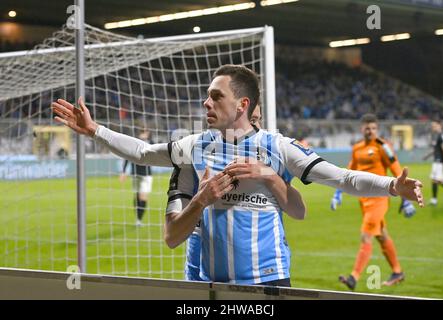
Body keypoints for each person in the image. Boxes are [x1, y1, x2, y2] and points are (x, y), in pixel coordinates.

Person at [51, 64, 423, 286]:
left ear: (242, 104)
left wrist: (392, 185)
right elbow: (144, 153)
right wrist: (96, 130)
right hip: (214, 282)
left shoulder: (279, 148)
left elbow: (341, 177)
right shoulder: (195, 145)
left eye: (215, 97)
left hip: (270, 280)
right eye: (207, 96)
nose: (205, 103)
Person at [169, 104, 307, 281]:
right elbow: (173, 235)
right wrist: (201, 200)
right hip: (202, 266)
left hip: (263, 274)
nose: (251, 129)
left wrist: (269, 176)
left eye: (255, 121)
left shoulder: (266, 159)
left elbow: (299, 211)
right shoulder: (193, 157)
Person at [331, 114, 416, 291]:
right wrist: (337, 193)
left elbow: (397, 171)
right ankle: (397, 272)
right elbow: (348, 172)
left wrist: (405, 198)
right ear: (362, 129)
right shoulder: (357, 148)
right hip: (363, 201)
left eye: (373, 128)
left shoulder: (384, 146)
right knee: (381, 234)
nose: (370, 131)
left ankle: (354, 277)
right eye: (367, 128)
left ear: (377, 129)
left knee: (366, 235)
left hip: (380, 199)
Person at [119, 128, 153, 226]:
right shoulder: (134, 143)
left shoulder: (150, 143)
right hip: (135, 173)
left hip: (146, 174)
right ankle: (138, 220)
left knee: (143, 197)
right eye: (143, 131)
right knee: (137, 196)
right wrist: (123, 172)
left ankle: (139, 219)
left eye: (146, 131)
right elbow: (127, 157)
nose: (145, 133)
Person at [422, 118, 443, 206]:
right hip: (437, 161)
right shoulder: (437, 135)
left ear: (440, 125)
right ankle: (434, 200)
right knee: (437, 180)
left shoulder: (441, 135)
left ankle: (434, 200)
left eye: (434, 125)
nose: (433, 127)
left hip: (440, 161)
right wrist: (427, 156)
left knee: (437, 180)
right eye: (432, 126)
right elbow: (436, 149)